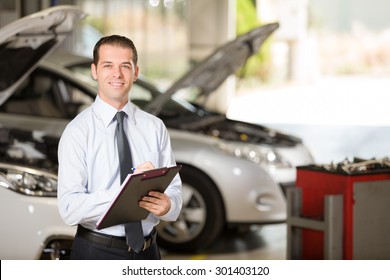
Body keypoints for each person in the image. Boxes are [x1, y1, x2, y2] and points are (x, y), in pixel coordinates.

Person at [57, 35, 182, 260]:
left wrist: (169, 206)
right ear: (94, 71)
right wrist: (125, 192)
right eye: (108, 66)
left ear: (135, 72)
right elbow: (69, 208)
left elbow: (174, 190)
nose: (117, 74)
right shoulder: (77, 132)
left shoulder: (155, 127)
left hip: (149, 252)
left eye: (125, 66)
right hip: (97, 253)